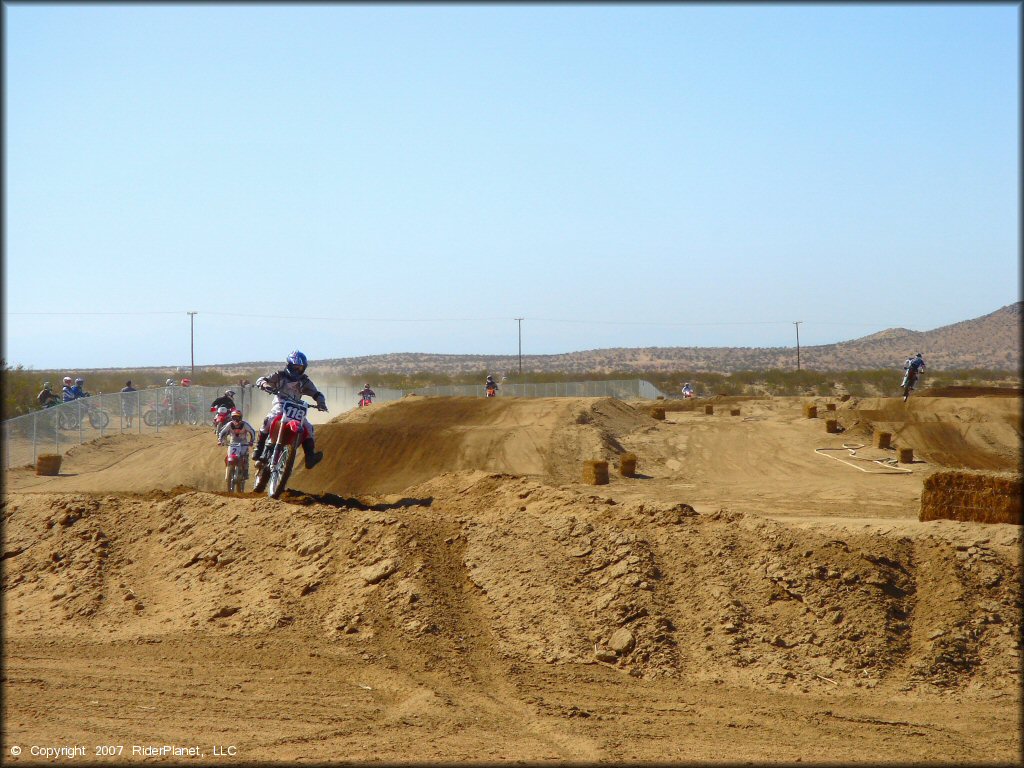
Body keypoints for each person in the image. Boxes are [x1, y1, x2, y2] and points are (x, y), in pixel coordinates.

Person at [252, 350, 328, 470]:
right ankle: (259, 449)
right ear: (289, 365)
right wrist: (265, 385)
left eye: (300, 368)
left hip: (297, 408)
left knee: (308, 427)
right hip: (281, 404)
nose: (297, 370)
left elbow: (317, 393)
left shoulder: (305, 381)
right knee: (269, 419)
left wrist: (321, 403)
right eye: (295, 367)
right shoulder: (279, 375)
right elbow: (262, 380)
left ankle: (310, 457)